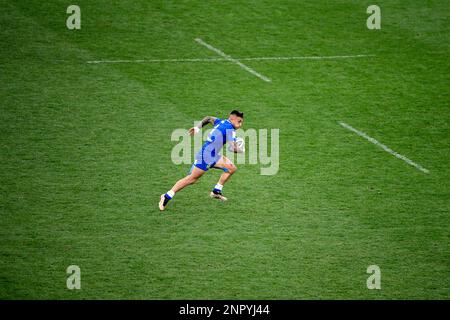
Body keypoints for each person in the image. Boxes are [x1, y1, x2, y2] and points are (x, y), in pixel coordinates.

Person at [159, 110, 244, 211]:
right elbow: (232, 148)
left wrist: (197, 128)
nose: (240, 125)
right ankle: (166, 196)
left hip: (213, 154)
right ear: (232, 118)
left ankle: (216, 192)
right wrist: (241, 149)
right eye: (239, 121)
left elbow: (208, 118)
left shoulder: (222, 122)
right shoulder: (230, 129)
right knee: (191, 179)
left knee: (231, 168)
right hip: (206, 156)